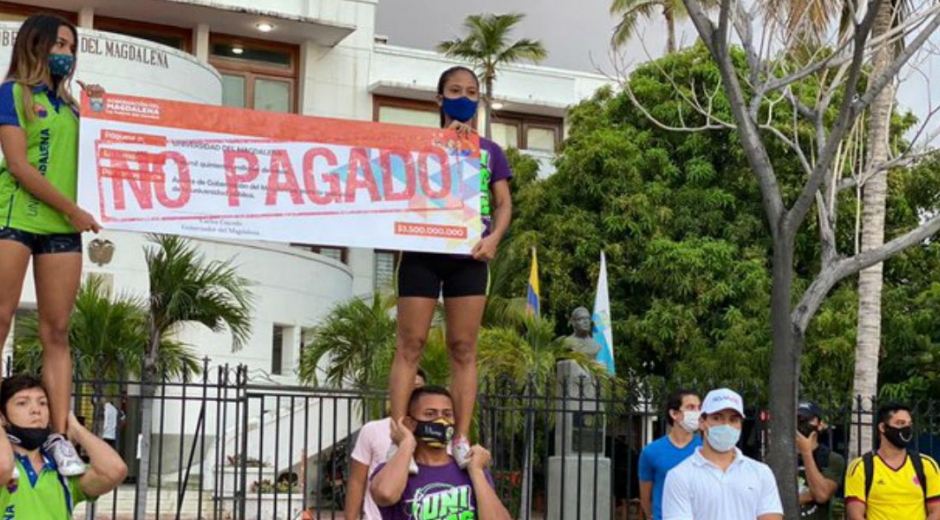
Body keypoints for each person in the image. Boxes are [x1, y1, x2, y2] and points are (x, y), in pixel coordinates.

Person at [387, 65, 512, 470]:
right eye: (455, 90)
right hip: (421, 253)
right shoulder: (416, 145)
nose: (464, 97)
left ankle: (460, 438)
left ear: (479, 100)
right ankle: (399, 437)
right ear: (439, 99)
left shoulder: (490, 151)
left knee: (464, 348)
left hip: (469, 257)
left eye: (471, 91)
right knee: (410, 345)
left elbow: (504, 203)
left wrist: (494, 239)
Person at [0, 13, 104, 478]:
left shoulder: (75, 107)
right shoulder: (13, 94)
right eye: (58, 43)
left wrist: (107, 110)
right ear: (35, 45)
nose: (66, 52)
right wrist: (73, 210)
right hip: (16, 216)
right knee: (1, 317)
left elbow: (108, 153)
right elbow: (20, 166)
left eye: (71, 45)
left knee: (56, 331)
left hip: (63, 228)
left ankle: (59, 436)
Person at [370, 386, 511, 520]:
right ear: (410, 423)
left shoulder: (471, 468)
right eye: (430, 414)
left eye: (447, 414)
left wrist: (477, 472)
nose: (440, 420)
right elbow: (385, 495)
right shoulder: (394, 471)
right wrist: (406, 443)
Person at [0, 374, 127, 518]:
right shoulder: (7, 466)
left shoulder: (64, 468)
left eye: (43, 403)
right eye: (22, 403)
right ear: (2, 416)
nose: (36, 410)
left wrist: (76, 429)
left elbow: (115, 471)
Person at [662, 388, 783, 520]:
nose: (726, 425)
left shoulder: (761, 473)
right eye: (717, 418)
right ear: (702, 422)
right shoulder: (679, 476)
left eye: (733, 420)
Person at [346, 369, 427, 520]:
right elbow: (357, 481)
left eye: (417, 389)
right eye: (406, 387)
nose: (411, 394)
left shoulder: (435, 434)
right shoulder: (372, 430)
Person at [845, 402, 940, 520]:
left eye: (909, 424)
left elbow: (936, 511)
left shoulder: (927, 465)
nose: (906, 429)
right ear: (883, 427)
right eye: (900, 423)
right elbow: (855, 515)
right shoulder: (861, 467)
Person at [638, 389, 702, 520]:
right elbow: (645, 495)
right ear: (674, 413)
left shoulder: (705, 448)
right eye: (691, 407)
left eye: (699, 407)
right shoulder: (651, 452)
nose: (697, 412)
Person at [796, 400, 845, 520]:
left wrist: (806, 452)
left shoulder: (832, 459)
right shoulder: (780, 457)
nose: (802, 423)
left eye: (809, 419)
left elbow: (821, 495)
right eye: (798, 419)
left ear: (820, 424)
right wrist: (809, 494)